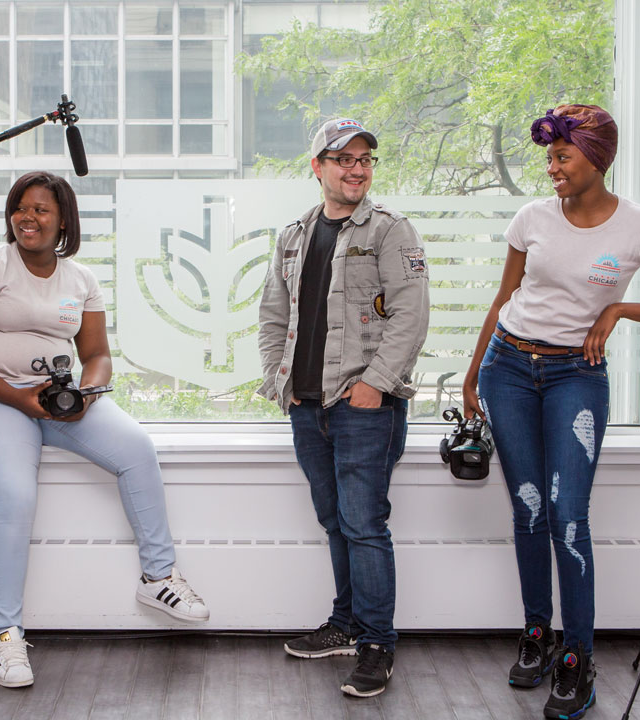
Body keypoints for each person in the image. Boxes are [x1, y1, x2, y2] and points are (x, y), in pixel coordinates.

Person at [461, 104, 640, 720]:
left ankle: (578, 658)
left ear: (596, 160)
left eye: (562, 158)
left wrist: (621, 311)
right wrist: (472, 375)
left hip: (577, 374)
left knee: (567, 516)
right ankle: (537, 634)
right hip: (509, 368)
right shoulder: (532, 218)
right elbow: (504, 299)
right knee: (526, 507)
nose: (551, 169)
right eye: (548, 158)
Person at [0, 171, 209, 689]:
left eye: (41, 209)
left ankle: (159, 578)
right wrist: (18, 398)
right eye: (21, 206)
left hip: (57, 400)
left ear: (63, 219)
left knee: (137, 449)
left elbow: (97, 354)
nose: (28, 217)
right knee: (15, 495)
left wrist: (87, 393)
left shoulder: (80, 279)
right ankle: (5, 636)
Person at [258, 118, 430, 698]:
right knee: (335, 522)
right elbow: (273, 317)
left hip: (363, 405)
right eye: (344, 159)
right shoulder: (294, 235)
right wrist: (278, 382)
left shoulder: (390, 231)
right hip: (307, 403)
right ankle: (346, 625)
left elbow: (411, 314)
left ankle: (377, 642)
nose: (357, 169)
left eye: (365, 160)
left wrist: (376, 384)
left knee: (364, 525)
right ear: (319, 168)